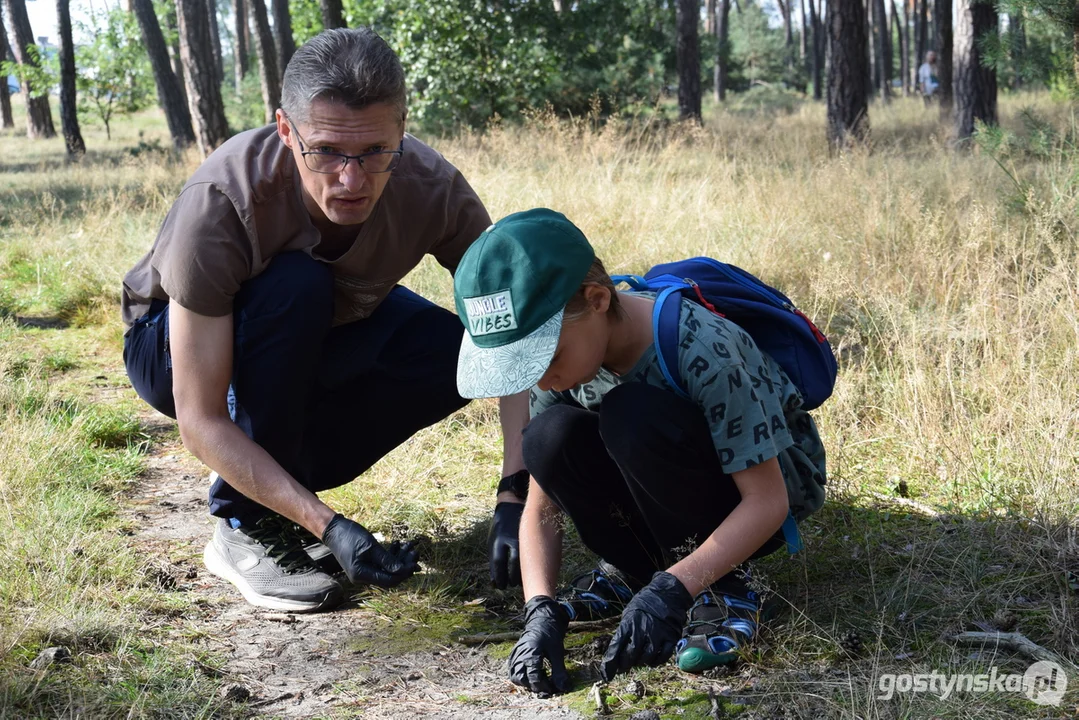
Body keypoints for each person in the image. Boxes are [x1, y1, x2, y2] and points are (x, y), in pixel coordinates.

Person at [121, 28, 532, 613]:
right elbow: (200, 418)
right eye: (328, 152)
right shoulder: (223, 201)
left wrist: (517, 494)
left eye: (374, 152)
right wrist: (329, 525)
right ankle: (243, 525)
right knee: (296, 285)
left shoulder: (432, 189)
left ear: (402, 129)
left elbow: (509, 335)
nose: (352, 180)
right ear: (286, 130)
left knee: (455, 353)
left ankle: (276, 474)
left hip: (331, 319)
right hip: (172, 345)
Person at [452, 209, 827, 692]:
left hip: (757, 501)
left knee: (630, 414)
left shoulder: (701, 348)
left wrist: (674, 589)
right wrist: (538, 610)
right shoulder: (563, 369)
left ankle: (726, 585)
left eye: (544, 356)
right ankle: (633, 570)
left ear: (597, 299)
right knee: (547, 435)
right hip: (660, 489)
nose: (538, 377)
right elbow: (541, 506)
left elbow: (769, 502)